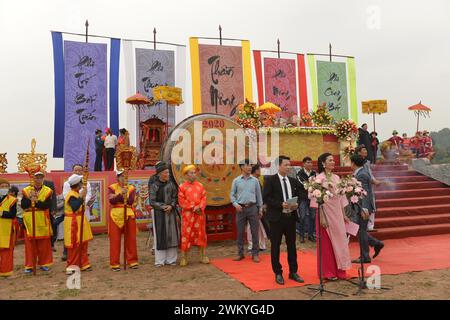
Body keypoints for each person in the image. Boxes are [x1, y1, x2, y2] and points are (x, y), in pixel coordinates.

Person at [310, 153, 352, 280]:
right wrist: (321, 216)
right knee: (327, 244)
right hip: (325, 214)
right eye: (330, 160)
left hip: (337, 214)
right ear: (323, 163)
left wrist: (344, 215)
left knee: (340, 242)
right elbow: (316, 199)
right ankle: (328, 272)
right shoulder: (319, 179)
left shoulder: (337, 178)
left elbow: (341, 198)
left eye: (333, 160)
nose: (333, 162)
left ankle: (340, 270)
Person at [263, 156, 304, 285]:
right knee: (275, 246)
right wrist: (280, 204)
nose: (288, 167)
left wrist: (298, 203)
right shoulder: (270, 180)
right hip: (276, 218)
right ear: (279, 166)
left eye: (289, 165)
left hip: (290, 217)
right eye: (286, 165)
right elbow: (267, 198)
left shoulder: (293, 180)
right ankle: (278, 272)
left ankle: (293, 271)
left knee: (292, 245)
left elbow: (302, 193)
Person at [349, 155, 384, 263]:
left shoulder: (362, 175)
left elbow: (364, 193)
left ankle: (365, 256)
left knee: (361, 231)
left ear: (353, 163)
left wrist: (364, 208)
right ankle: (376, 243)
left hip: (362, 207)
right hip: (359, 207)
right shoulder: (360, 173)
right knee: (360, 230)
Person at [230, 159, 263, 263]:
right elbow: (231, 195)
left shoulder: (255, 181)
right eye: (247, 165)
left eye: (250, 165)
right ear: (241, 167)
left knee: (254, 232)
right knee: (240, 232)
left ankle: (255, 254)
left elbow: (259, 195)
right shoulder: (236, 181)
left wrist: (260, 208)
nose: (250, 167)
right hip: (240, 209)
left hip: (253, 208)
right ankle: (240, 254)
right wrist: (235, 204)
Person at [21, 171, 54, 273]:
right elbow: (24, 205)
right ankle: (30, 265)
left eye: (40, 177)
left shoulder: (48, 190)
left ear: (43, 178)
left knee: (44, 243)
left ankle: (44, 263)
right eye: (36, 177)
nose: (38, 179)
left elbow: (47, 205)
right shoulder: (26, 190)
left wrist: (36, 201)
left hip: (42, 218)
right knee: (30, 244)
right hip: (29, 219)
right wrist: (30, 199)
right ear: (33, 178)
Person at [148, 161, 179, 267]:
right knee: (160, 236)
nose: (168, 174)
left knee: (172, 235)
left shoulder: (171, 184)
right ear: (160, 174)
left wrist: (171, 206)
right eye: (166, 173)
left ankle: (171, 259)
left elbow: (175, 197)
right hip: (159, 214)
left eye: (168, 172)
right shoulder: (154, 185)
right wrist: (163, 207)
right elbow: (152, 201)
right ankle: (160, 260)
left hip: (171, 213)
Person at [178, 165, 209, 266]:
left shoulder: (200, 185)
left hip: (199, 214)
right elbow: (181, 201)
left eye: (194, 173)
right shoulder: (182, 187)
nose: (193, 175)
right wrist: (192, 207)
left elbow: (204, 198)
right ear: (186, 175)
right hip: (188, 215)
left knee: (201, 234)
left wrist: (200, 207)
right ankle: (184, 257)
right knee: (186, 235)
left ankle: (203, 256)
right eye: (191, 173)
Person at [108, 171, 139, 271]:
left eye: (125, 176)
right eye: (121, 176)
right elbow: (111, 201)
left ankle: (132, 261)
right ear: (117, 177)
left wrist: (120, 197)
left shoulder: (131, 188)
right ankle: (114, 263)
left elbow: (130, 201)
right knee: (115, 240)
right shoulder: (112, 187)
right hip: (115, 215)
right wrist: (121, 194)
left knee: (131, 239)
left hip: (128, 213)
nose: (124, 178)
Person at [62, 164, 92, 261]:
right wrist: (81, 197)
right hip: (73, 219)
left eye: (80, 170)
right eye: (76, 170)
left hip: (81, 214)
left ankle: (83, 260)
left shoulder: (81, 187)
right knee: (73, 240)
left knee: (82, 239)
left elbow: (88, 195)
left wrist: (83, 199)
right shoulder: (70, 189)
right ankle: (72, 260)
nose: (78, 172)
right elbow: (73, 205)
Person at [355, 145, 382, 231]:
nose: (366, 151)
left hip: (367, 185)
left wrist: (374, 180)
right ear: (359, 152)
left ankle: (370, 226)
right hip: (362, 186)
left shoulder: (367, 162)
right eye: (363, 150)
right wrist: (373, 181)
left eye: (366, 150)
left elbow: (369, 173)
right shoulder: (357, 162)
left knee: (370, 204)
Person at [246, 164, 268, 252]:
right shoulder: (250, 180)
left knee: (260, 226)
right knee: (251, 226)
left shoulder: (257, 180)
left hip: (259, 205)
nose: (260, 171)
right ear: (255, 171)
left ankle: (261, 244)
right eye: (259, 169)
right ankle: (252, 245)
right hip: (252, 206)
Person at [296, 156, 316, 243]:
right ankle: (301, 235)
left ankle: (311, 235)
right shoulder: (299, 174)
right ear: (303, 164)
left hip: (312, 198)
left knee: (312, 217)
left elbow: (317, 184)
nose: (310, 164)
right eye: (308, 162)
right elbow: (302, 185)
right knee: (303, 217)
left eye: (311, 162)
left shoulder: (314, 173)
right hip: (303, 198)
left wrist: (311, 185)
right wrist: (311, 184)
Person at [0, 178, 18, 277]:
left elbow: (12, 214)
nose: (4, 188)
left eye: (6, 187)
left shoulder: (12, 200)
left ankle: (5, 271)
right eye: (2, 187)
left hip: (6, 228)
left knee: (6, 251)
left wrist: (2, 213)